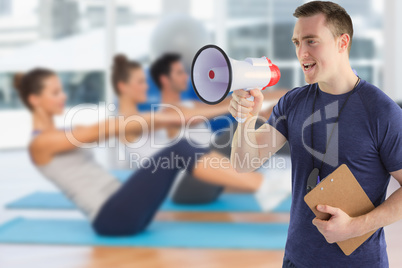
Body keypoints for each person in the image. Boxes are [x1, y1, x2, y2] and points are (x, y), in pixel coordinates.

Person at [229, 1, 402, 267]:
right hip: (296, 260)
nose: (301, 52)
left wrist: (355, 226)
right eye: (297, 42)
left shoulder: (381, 111)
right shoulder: (292, 102)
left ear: (342, 42)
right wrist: (245, 119)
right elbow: (243, 164)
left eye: (311, 41)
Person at [12, 67, 261, 236]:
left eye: (61, 90)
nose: (63, 96)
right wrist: (148, 120)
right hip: (111, 217)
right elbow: (107, 127)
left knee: (182, 146)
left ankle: (265, 185)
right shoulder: (40, 144)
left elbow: (174, 119)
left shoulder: (64, 130)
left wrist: (225, 108)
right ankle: (263, 186)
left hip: (121, 205)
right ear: (34, 99)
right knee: (179, 149)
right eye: (55, 92)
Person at [112, 54, 288, 210]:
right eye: (140, 82)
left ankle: (310, 159)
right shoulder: (125, 123)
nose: (146, 87)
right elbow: (182, 117)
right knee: (251, 126)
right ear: (123, 86)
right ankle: (270, 186)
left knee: (267, 123)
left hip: (211, 176)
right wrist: (241, 104)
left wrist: (290, 95)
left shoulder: (169, 110)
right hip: (184, 186)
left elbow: (208, 108)